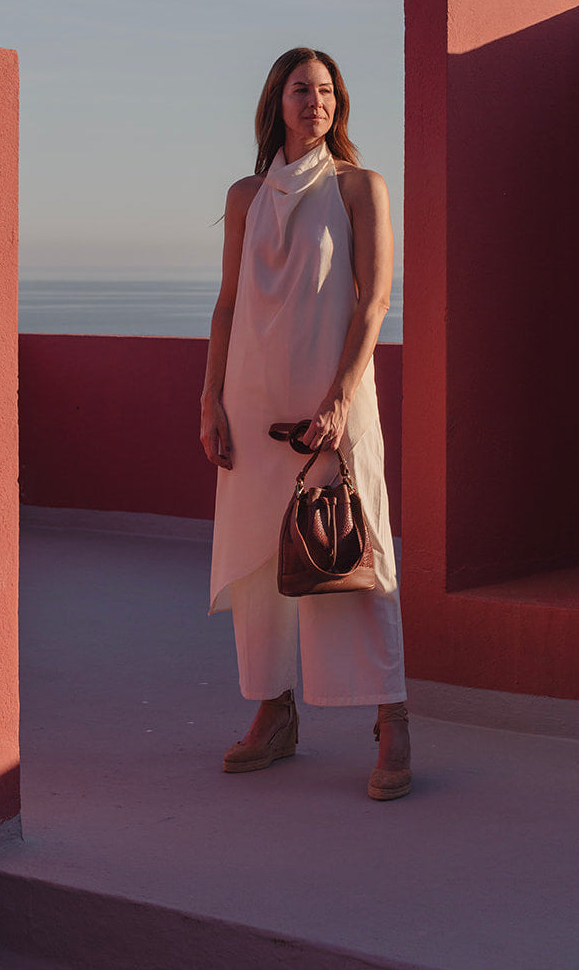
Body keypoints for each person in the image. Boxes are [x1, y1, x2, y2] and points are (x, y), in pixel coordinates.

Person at [199, 46, 411, 801]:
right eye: (300, 90)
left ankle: (392, 720)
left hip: (332, 407)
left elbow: (374, 301)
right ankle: (274, 711)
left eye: (325, 91)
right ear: (276, 102)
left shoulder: (359, 185)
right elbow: (227, 305)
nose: (314, 102)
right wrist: (210, 398)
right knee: (261, 564)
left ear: (338, 104)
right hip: (253, 408)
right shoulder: (246, 194)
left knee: (352, 552)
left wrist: (337, 404)